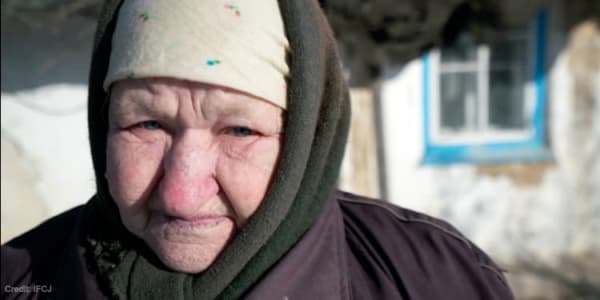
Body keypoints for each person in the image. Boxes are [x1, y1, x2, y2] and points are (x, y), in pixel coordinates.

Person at [1, 0, 514, 299]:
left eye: (240, 131)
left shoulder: (432, 279)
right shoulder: (19, 280)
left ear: (306, 141)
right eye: (148, 124)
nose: (180, 194)